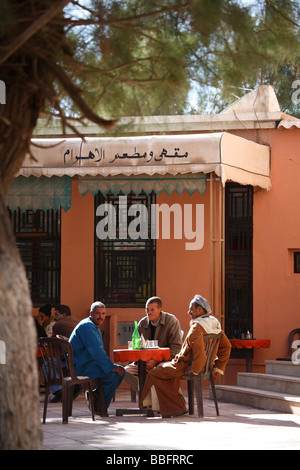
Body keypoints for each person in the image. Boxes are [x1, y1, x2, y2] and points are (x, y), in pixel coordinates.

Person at [140, 294, 232, 418]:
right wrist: (216, 368)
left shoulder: (197, 327)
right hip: (202, 366)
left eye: (191, 309)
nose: (188, 312)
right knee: (164, 368)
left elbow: (199, 351)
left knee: (155, 372)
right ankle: (175, 408)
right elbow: (227, 347)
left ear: (199, 310)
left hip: (185, 364)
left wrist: (195, 369)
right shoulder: (214, 325)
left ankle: (172, 407)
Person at [69, 301, 125, 416]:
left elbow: (98, 352)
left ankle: (96, 399)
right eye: (98, 313)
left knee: (119, 370)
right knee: (115, 373)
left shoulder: (94, 328)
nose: (101, 316)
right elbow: (96, 351)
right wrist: (111, 367)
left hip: (87, 364)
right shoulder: (87, 326)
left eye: (103, 313)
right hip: (80, 367)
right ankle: (99, 404)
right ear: (91, 313)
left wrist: (111, 367)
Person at [124, 296, 183, 392]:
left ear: (160, 309)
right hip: (145, 363)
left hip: (164, 362)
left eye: (152, 309)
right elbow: (137, 347)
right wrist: (145, 361)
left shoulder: (172, 321)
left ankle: (151, 397)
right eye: (147, 309)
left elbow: (176, 349)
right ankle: (147, 395)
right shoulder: (142, 323)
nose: (149, 312)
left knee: (158, 371)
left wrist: (156, 360)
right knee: (126, 371)